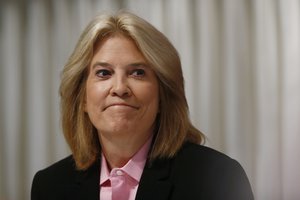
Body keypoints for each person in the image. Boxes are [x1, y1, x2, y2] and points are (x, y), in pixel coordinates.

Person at [31, 11, 254, 200]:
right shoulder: (50, 186)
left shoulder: (218, 179)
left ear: (162, 95)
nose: (119, 88)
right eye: (103, 73)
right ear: (82, 99)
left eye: (138, 73)